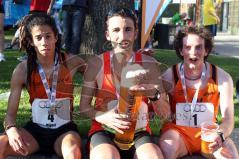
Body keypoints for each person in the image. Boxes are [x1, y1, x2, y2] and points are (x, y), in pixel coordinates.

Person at [79, 8, 169, 159]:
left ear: (135, 32)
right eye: (116, 30)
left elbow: (165, 113)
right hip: (105, 129)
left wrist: (154, 95)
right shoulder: (96, 64)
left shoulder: (149, 64)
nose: (122, 36)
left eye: (128, 29)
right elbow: (83, 107)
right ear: (108, 35)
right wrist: (103, 117)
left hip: (138, 131)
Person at [0, 13, 86, 159]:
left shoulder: (71, 62)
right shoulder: (22, 70)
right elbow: (9, 115)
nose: (44, 42)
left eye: (48, 36)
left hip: (64, 131)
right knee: (1, 144)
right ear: (31, 41)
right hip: (35, 132)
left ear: (56, 38)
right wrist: (11, 129)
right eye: (38, 37)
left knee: (72, 153)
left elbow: (101, 75)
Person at [159, 26, 239, 159]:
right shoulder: (169, 76)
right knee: (168, 146)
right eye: (188, 47)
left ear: (206, 50)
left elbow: (229, 120)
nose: (193, 52)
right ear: (181, 50)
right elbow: (161, 112)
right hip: (179, 133)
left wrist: (220, 135)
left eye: (198, 47)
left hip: (209, 134)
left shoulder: (222, 78)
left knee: (230, 155)